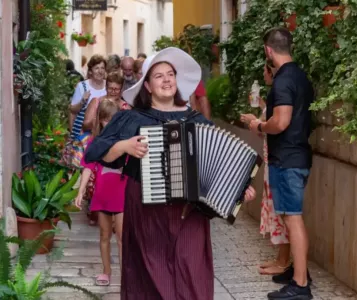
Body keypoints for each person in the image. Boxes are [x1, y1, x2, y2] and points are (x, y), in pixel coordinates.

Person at [84, 47, 256, 299]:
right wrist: (124, 146)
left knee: (192, 274)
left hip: (189, 213)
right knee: (150, 277)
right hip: (146, 211)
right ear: (148, 87)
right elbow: (95, 152)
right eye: (158, 76)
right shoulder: (131, 119)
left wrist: (239, 190)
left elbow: (220, 166)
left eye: (170, 74)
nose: (166, 80)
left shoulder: (197, 121)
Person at [249, 27, 314, 300]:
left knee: (293, 218)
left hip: (286, 159)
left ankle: (300, 286)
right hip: (296, 155)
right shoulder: (300, 76)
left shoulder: (283, 80)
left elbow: (281, 121)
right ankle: (298, 272)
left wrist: (259, 125)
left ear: (268, 50)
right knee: (291, 218)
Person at [241, 62, 290, 276]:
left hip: (280, 159)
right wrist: (258, 115)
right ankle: (281, 258)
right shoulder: (274, 95)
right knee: (276, 210)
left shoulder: (281, 92)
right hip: (273, 158)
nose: (263, 74)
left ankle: (284, 261)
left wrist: (256, 122)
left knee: (282, 212)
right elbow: (267, 125)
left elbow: (272, 125)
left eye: (264, 70)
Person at [75, 99, 127, 287]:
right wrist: (80, 192)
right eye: (105, 119)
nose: (109, 123)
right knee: (104, 235)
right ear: (100, 121)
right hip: (103, 195)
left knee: (122, 237)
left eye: (112, 119)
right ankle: (106, 271)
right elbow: (87, 168)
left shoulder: (124, 143)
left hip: (122, 195)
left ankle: (125, 275)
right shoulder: (95, 143)